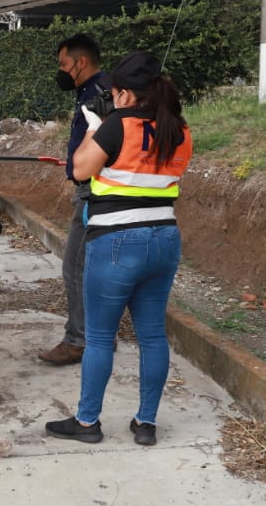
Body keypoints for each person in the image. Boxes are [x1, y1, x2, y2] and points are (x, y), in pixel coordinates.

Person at [45, 52, 192, 445]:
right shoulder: (180, 129)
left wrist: (96, 128)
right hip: (164, 238)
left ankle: (88, 422)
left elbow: (79, 169)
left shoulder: (116, 126)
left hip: (116, 241)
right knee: (152, 335)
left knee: (98, 336)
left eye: (114, 94)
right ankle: (146, 423)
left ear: (124, 94)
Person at [38, 33, 113, 367]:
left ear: (81, 62)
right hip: (99, 189)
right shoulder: (98, 90)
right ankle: (99, 336)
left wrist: (80, 170)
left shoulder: (98, 95)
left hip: (94, 192)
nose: (61, 70)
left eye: (64, 63)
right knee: (92, 269)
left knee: (76, 268)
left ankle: (78, 341)